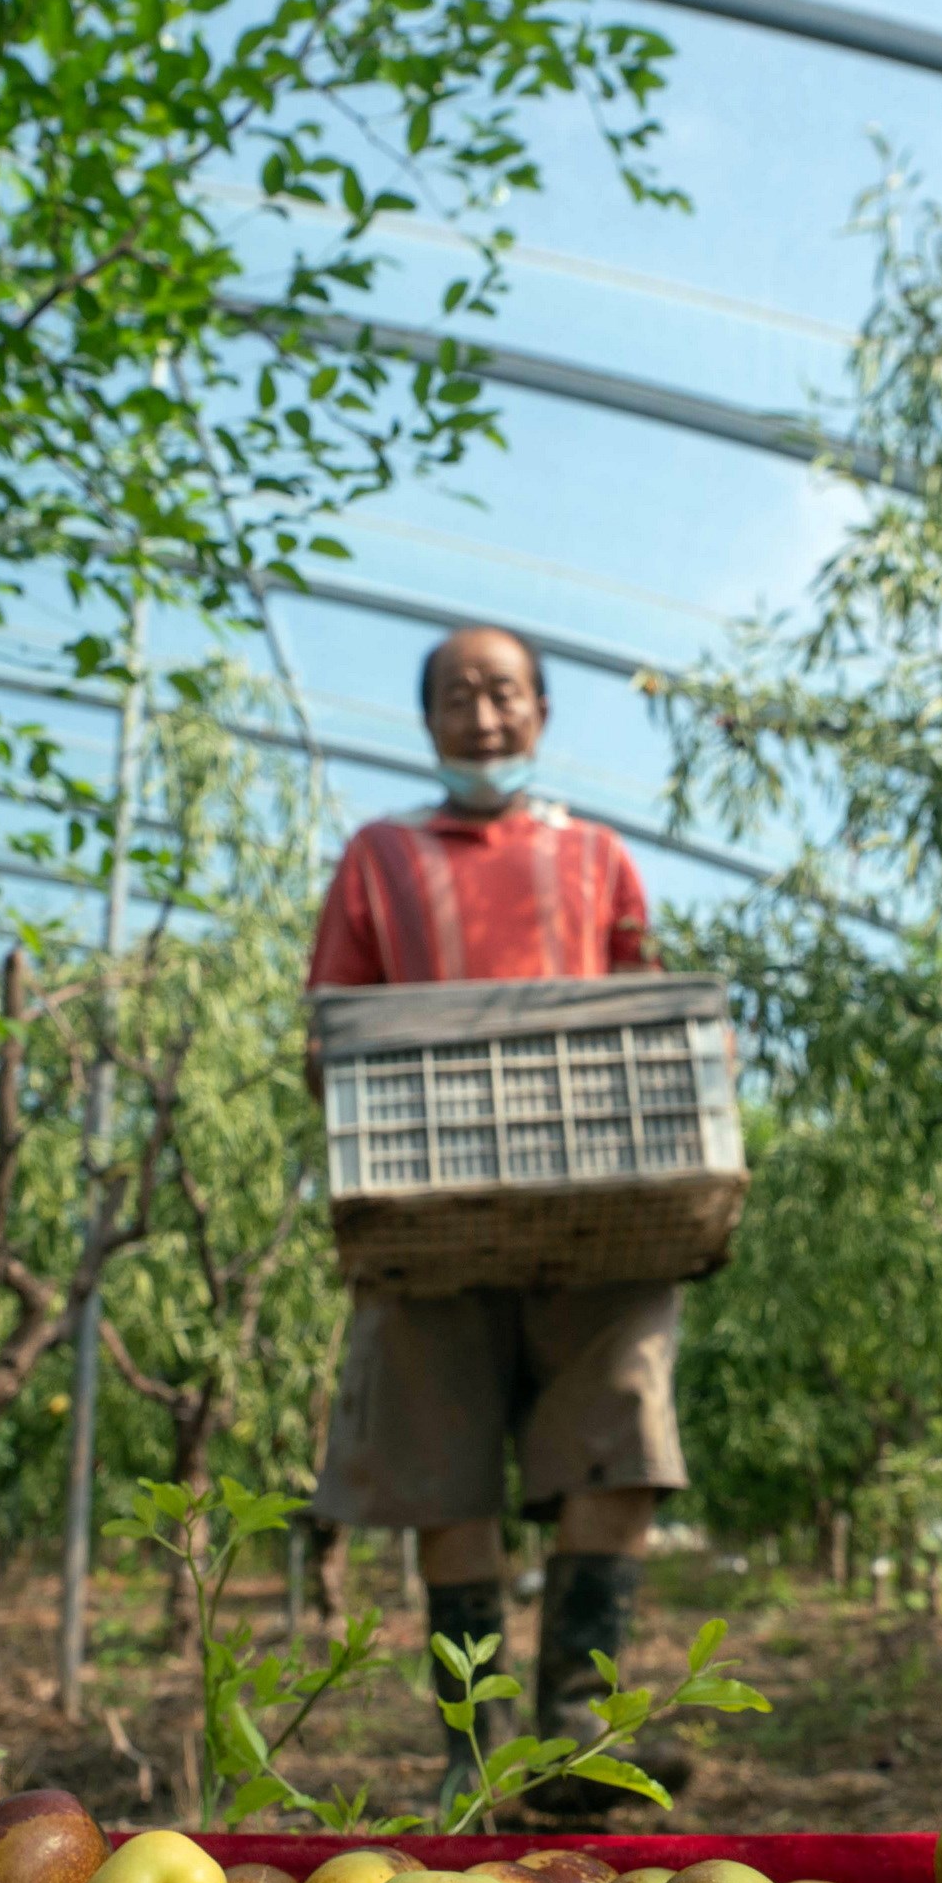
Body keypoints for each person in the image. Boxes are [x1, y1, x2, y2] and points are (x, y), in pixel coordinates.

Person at [306, 623, 686, 1816]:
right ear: (427, 721)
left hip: (597, 1209)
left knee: (617, 1431)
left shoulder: (596, 857)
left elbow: (646, 1009)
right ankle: (471, 1748)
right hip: (432, 1211)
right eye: (459, 694)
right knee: (443, 1471)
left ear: (538, 714)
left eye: (504, 691)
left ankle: (574, 1727)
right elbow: (333, 1026)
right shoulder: (378, 858)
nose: (483, 713)